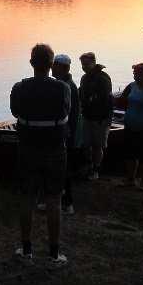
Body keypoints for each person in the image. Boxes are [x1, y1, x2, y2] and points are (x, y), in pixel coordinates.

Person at [11, 44, 70, 265]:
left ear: (31, 63)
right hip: (55, 150)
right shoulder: (63, 88)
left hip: (27, 149)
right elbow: (66, 111)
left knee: (27, 198)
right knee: (54, 200)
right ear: (51, 64)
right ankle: (54, 254)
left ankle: (26, 250)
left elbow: (15, 111)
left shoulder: (19, 87)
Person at [52, 54, 80, 215]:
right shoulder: (60, 84)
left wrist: (69, 135)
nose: (52, 68)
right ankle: (58, 199)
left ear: (64, 68)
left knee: (64, 169)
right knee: (56, 168)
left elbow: (72, 114)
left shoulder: (69, 87)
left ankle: (68, 203)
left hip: (65, 135)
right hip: (59, 133)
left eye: (55, 65)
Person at [79, 52, 113, 180]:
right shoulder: (84, 78)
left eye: (86, 64)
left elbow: (106, 100)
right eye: (82, 65)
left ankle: (96, 170)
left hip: (101, 118)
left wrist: (104, 118)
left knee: (97, 145)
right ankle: (88, 166)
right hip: (87, 116)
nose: (84, 67)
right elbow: (81, 93)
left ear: (94, 62)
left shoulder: (103, 78)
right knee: (86, 144)